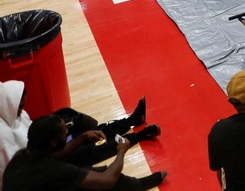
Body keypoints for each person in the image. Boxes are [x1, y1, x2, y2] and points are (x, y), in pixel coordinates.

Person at [1, 80, 157, 175]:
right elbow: (37, 164)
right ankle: (140, 135)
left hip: (51, 147)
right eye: (20, 106)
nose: (22, 110)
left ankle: (133, 119)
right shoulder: (4, 138)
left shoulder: (11, 110)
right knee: (93, 149)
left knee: (99, 130)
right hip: (48, 165)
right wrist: (81, 139)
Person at [2, 115, 166, 191]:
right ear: (53, 142)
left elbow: (54, 156)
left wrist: (81, 139)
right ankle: (140, 186)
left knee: (95, 171)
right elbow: (107, 180)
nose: (68, 132)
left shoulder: (23, 156)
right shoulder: (53, 171)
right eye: (64, 132)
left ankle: (137, 184)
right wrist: (122, 151)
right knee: (106, 178)